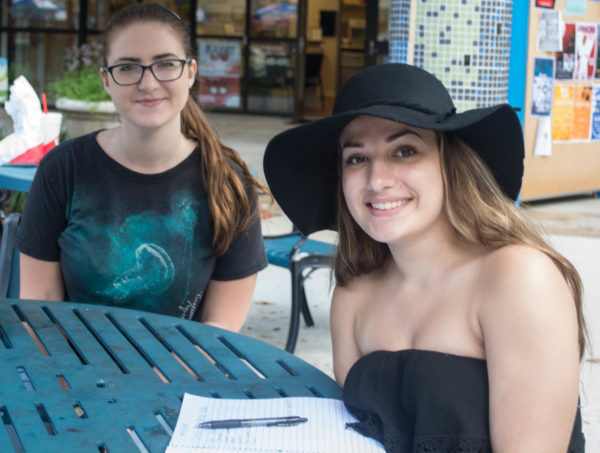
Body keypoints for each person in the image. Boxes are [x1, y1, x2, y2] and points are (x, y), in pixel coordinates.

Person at [264, 64, 587, 452]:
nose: (376, 179)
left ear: (449, 164)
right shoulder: (353, 296)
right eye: (356, 158)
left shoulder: (517, 278)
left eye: (404, 150)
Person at [16, 3, 267, 332]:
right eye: (128, 67)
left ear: (191, 72)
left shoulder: (228, 182)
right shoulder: (63, 169)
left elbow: (219, 330)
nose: (148, 83)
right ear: (106, 80)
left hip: (183, 374)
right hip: (75, 373)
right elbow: (39, 313)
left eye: (165, 64)